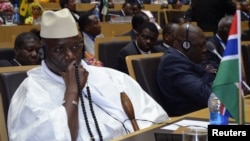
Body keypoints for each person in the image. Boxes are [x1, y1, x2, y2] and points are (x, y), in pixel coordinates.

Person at [7, 8, 169, 141]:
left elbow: (156, 119)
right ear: (43, 51)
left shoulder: (113, 78)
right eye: (59, 49)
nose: (70, 55)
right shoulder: (30, 91)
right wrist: (72, 91)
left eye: (75, 47)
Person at [157, 23, 215, 116]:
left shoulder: (188, 58)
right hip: (192, 119)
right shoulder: (172, 63)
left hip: (207, 112)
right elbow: (206, 94)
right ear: (186, 45)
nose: (205, 50)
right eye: (201, 46)